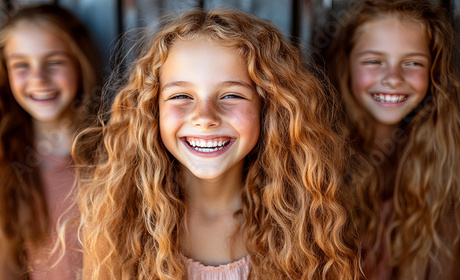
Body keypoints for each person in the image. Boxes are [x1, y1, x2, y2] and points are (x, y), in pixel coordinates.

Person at [71, 8, 358, 280]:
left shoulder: (311, 223)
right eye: (181, 96)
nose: (204, 117)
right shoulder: (120, 222)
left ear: (268, 108)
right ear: (151, 109)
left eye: (231, 96)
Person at [326, 0, 460, 279]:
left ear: (433, 70)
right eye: (374, 61)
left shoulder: (446, 162)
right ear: (345, 63)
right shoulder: (317, 159)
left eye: (412, 63)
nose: (393, 78)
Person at [0, 4, 101, 279]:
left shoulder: (114, 149)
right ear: (4, 75)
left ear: (80, 63)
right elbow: (5, 262)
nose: (38, 79)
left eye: (54, 62)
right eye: (21, 65)